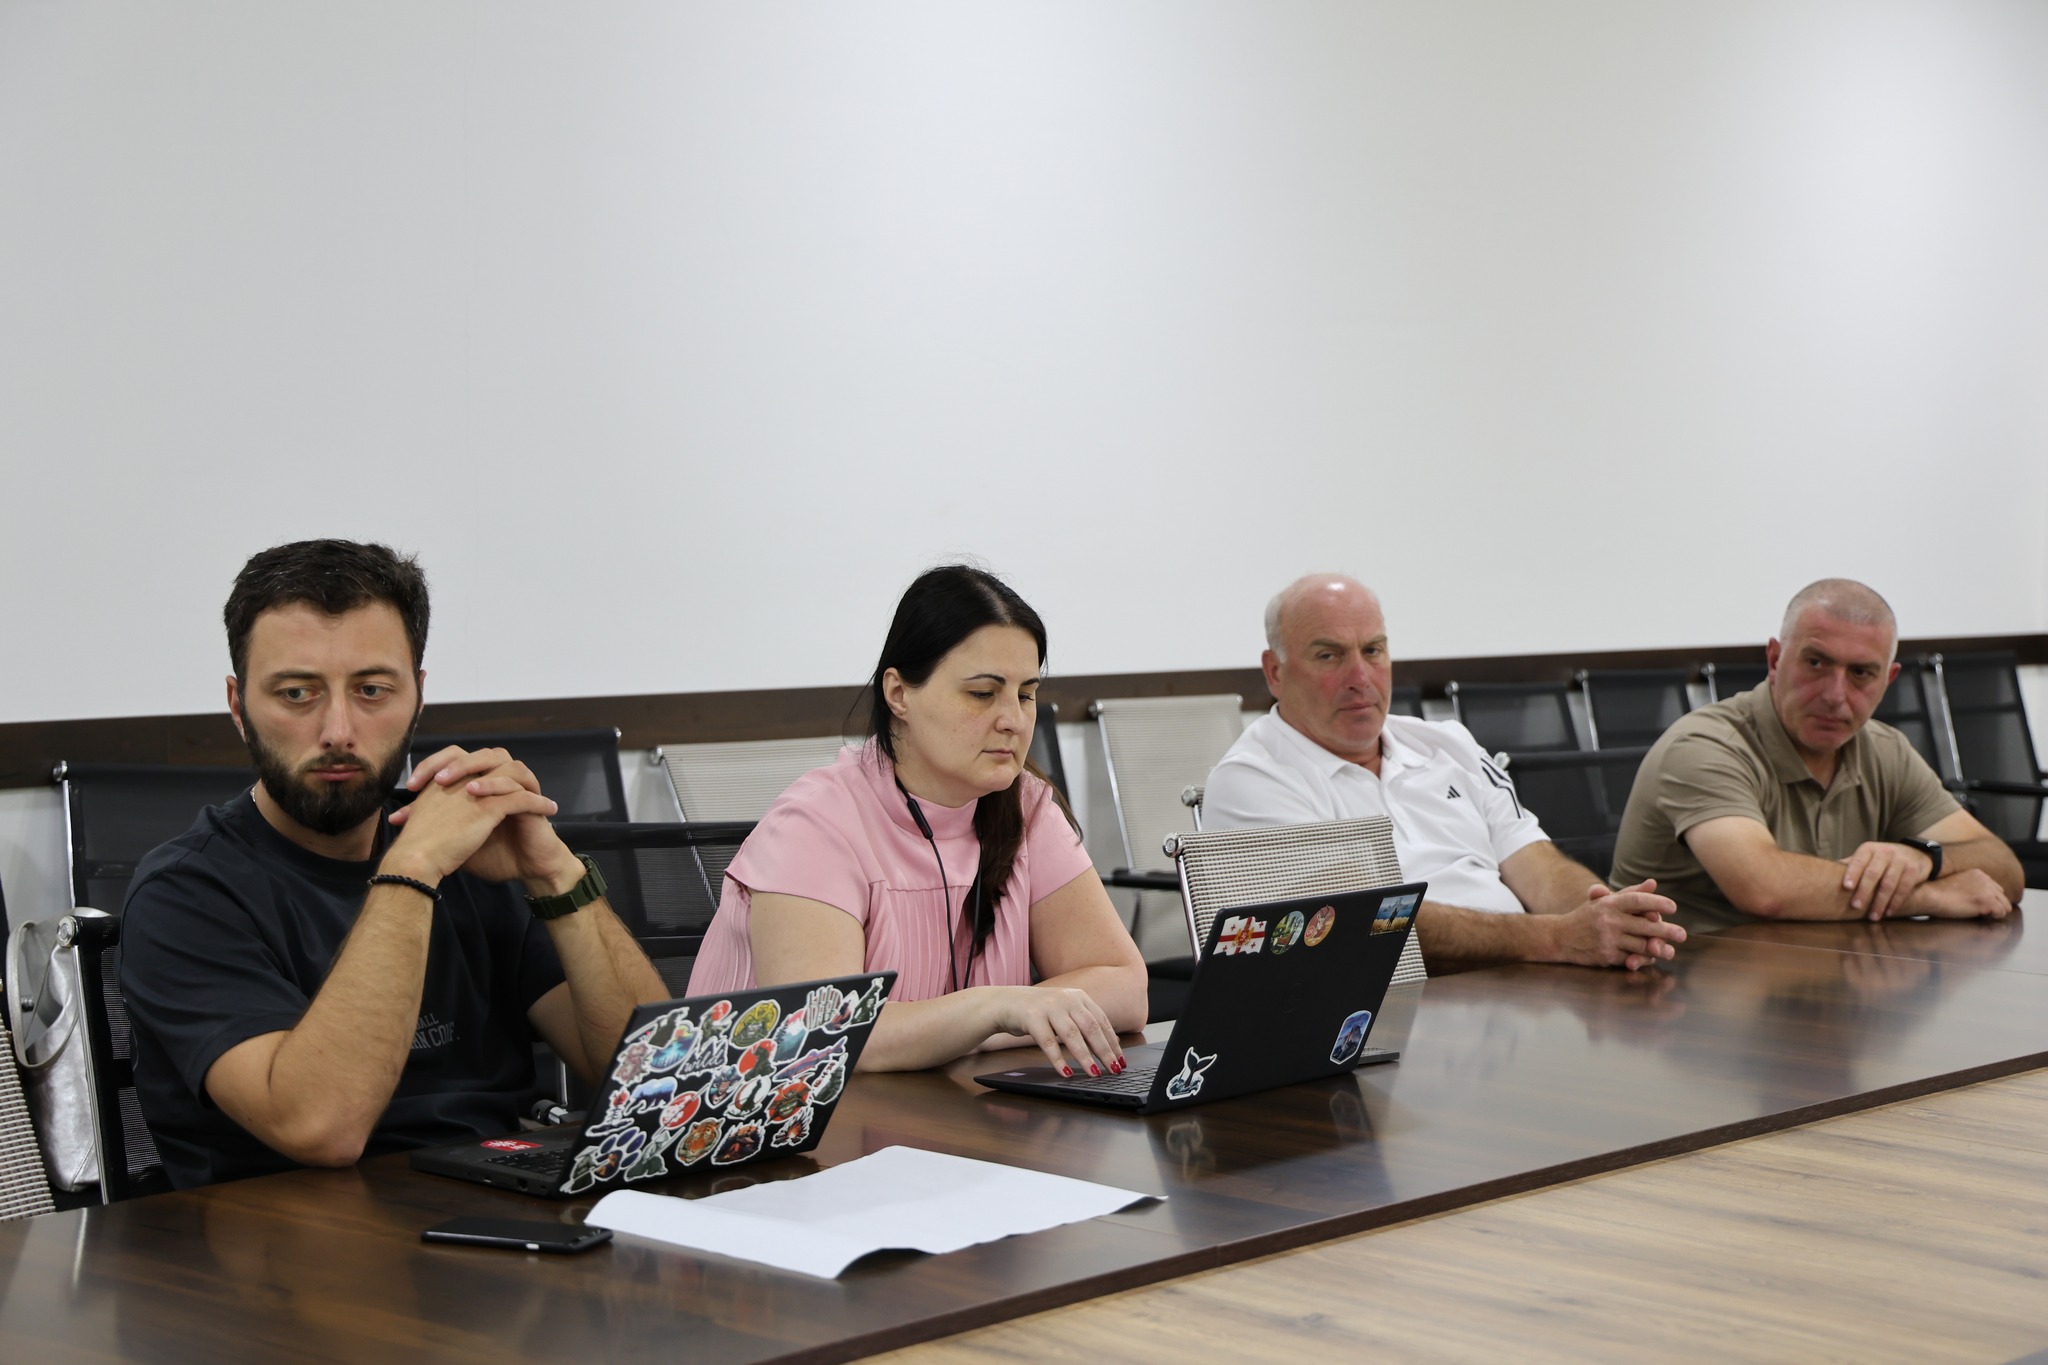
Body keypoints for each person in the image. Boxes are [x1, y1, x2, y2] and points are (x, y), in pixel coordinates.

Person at [120, 540, 668, 1188]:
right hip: (286, 1236)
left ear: (418, 695)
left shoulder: (468, 849)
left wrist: (554, 873)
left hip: (498, 1210)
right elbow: (320, 1126)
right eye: (296, 693)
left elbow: (657, 1087)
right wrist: (414, 866)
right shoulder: (183, 894)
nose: (338, 730)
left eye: (373, 690)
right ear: (239, 707)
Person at [688, 565, 1148, 1077]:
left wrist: (989, 1024)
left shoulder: (1025, 806)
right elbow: (820, 1036)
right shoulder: (815, 824)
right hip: (762, 1115)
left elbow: (1126, 986)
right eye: (982, 694)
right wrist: (995, 1008)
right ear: (899, 694)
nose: (1014, 721)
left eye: (1025, 694)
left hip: (936, 1104)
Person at [1203, 574, 1686, 972]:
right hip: (1384, 1010)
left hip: (1523, 983)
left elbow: (1536, 863)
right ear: (1275, 672)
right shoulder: (1252, 779)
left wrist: (1605, 916)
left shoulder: (1447, 743)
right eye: (1329, 655)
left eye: (1373, 650)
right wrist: (1556, 938)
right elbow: (1361, 923)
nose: (1360, 678)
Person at [1610, 579, 2021, 931]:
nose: (1835, 696)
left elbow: (2004, 867)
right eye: (1816, 663)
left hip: (1817, 973)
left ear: (1888, 679)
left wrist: (1924, 860)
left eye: (1861, 673)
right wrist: (1929, 896)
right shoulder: (1705, 745)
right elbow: (1765, 889)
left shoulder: (1884, 749)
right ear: (1775, 660)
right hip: (1681, 981)